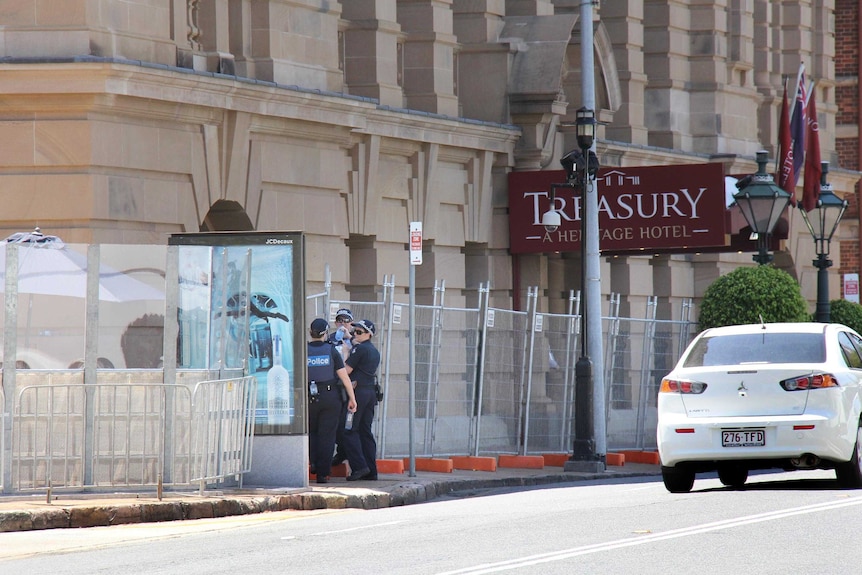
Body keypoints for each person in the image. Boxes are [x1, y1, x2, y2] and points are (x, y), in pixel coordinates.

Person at [307, 318, 357, 484]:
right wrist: (352, 398)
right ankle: (323, 473)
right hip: (330, 398)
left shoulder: (303, 350)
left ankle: (313, 462)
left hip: (309, 397)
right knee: (327, 436)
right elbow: (344, 377)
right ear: (326, 333)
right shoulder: (331, 351)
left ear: (310, 333)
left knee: (311, 433)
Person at [343, 318, 381, 481]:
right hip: (370, 392)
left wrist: (345, 352)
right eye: (354, 331)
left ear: (368, 334)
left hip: (358, 393)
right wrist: (349, 337)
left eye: (359, 332)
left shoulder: (359, 350)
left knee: (349, 430)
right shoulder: (373, 350)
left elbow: (346, 370)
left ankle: (359, 467)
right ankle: (372, 470)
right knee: (365, 431)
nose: (355, 334)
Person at [328, 308, 354, 467]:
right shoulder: (330, 339)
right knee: (335, 423)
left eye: (346, 321)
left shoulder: (356, 339)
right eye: (339, 320)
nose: (342, 324)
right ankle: (341, 452)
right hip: (334, 385)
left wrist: (350, 339)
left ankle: (345, 453)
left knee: (349, 424)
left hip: (350, 387)